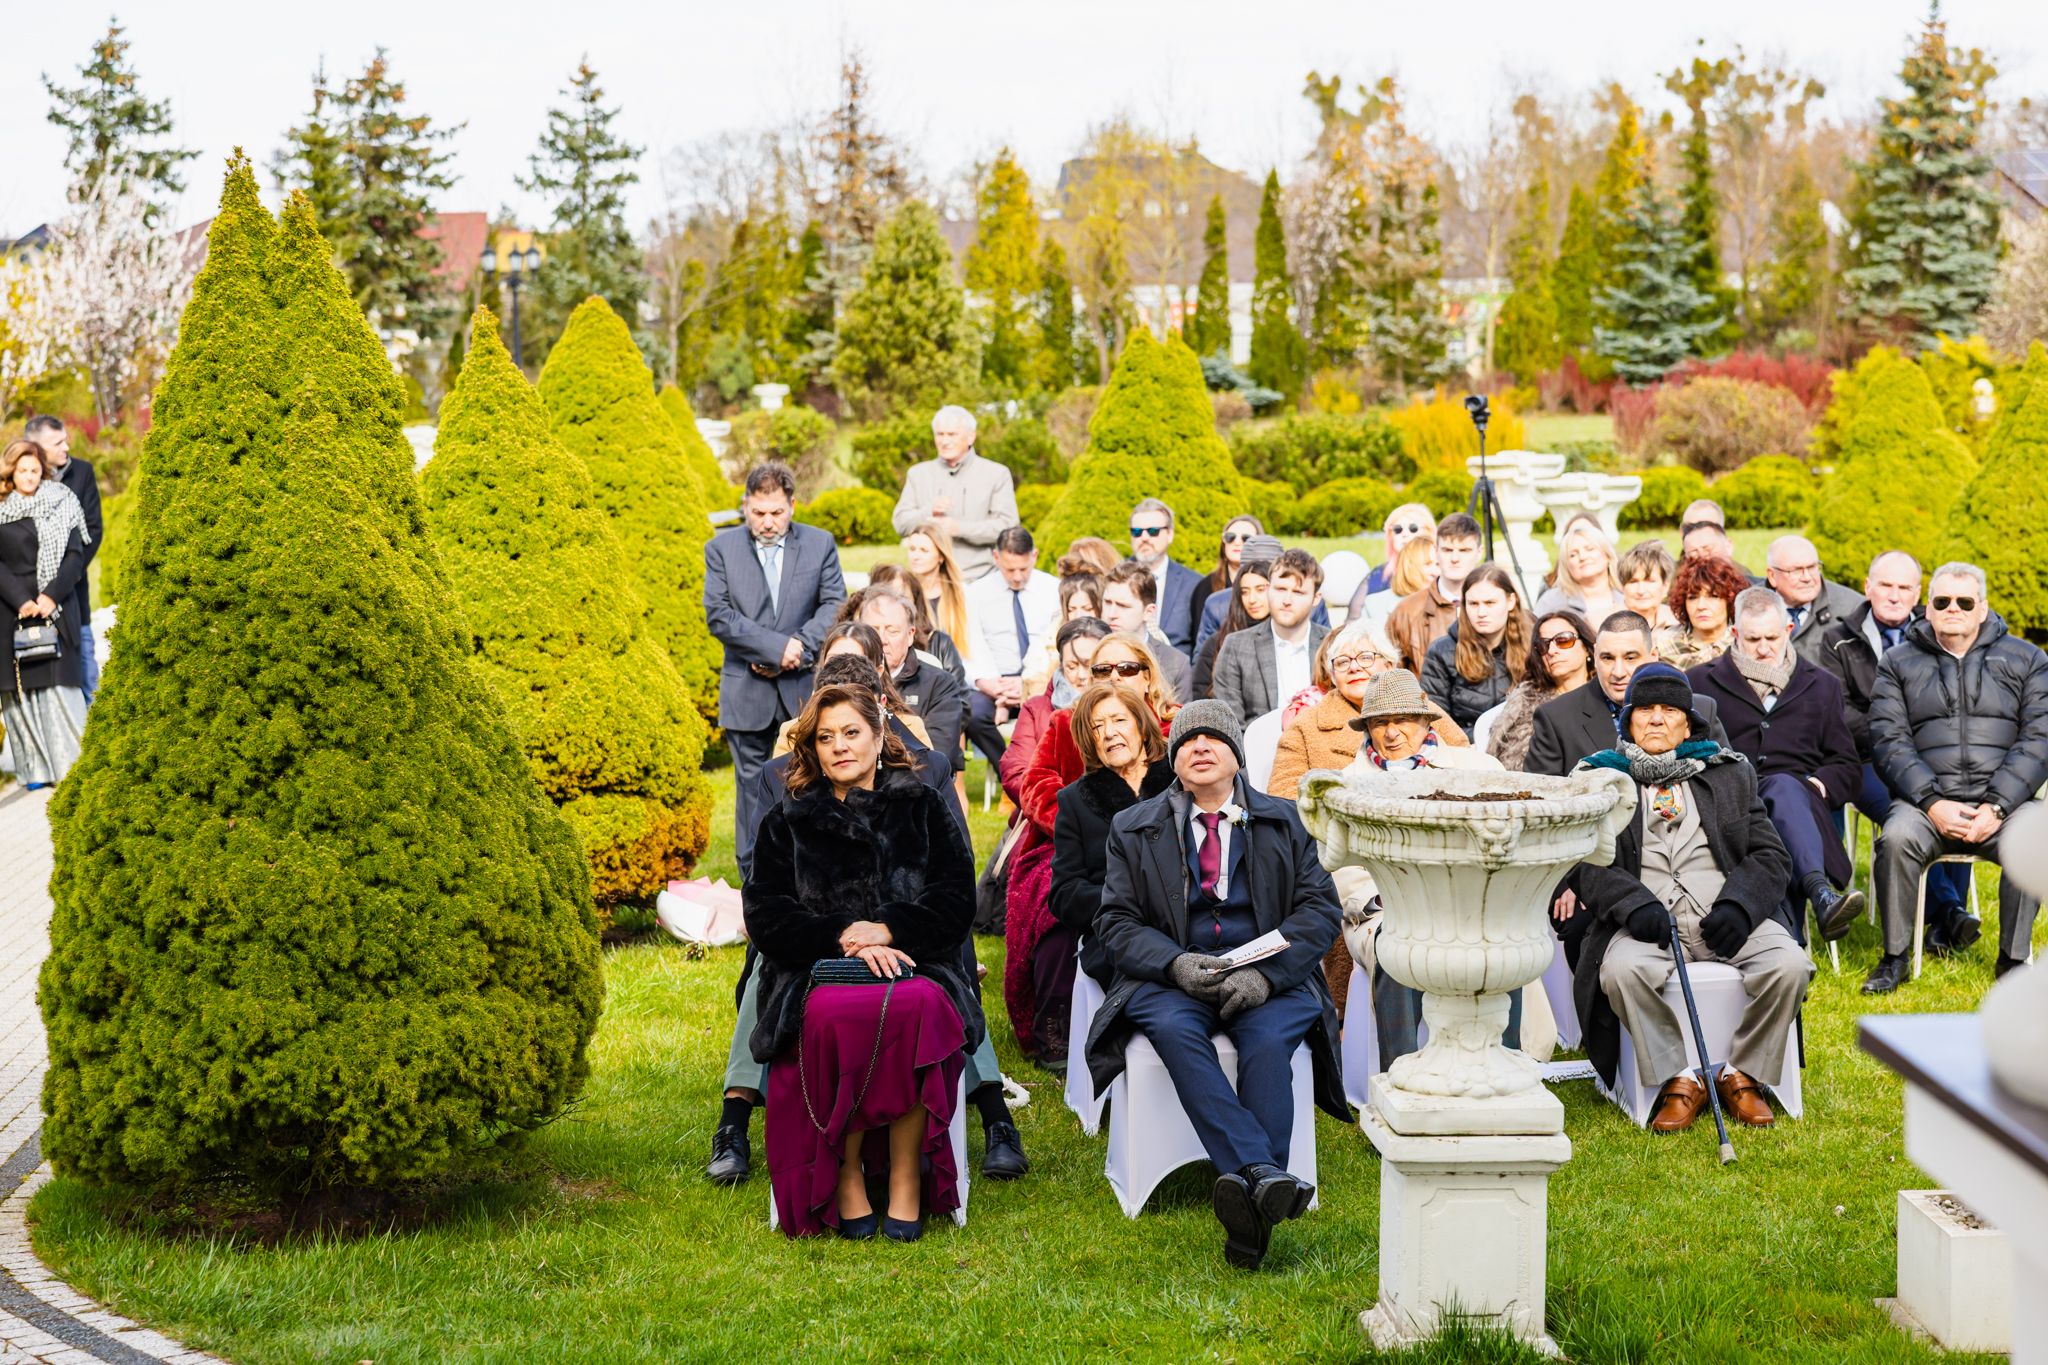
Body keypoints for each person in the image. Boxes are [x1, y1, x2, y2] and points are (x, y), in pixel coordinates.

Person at [714, 653, 1000, 1188]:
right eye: (825, 738)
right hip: (815, 971)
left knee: (920, 1003)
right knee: (826, 1013)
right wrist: (847, 936)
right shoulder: (789, 816)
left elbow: (957, 898)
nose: (839, 746)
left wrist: (889, 929)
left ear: (878, 734)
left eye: (851, 733)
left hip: (916, 964)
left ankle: (910, 1176)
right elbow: (767, 912)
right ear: (812, 748)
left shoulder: (922, 804)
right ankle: (842, 1173)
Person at [1084, 700, 1345, 1271]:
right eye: (1187, 741)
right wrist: (1175, 965)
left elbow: (1318, 912)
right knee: (1176, 1033)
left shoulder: (1287, 819)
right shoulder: (1134, 826)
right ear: (1174, 760)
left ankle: (1249, 1202)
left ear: (1237, 756)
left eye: (1213, 738)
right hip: (1172, 978)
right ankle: (1265, 1174)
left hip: (1268, 978)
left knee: (1270, 1041)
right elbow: (1115, 923)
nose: (1199, 747)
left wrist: (1266, 976)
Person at [1566, 664, 1811, 1132]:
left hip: (1723, 916)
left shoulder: (1726, 772)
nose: (1657, 719)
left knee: (1790, 965)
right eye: (1645, 710)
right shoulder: (1600, 779)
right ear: (1628, 719)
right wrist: (1634, 906)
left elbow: (1771, 854)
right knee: (1621, 971)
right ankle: (1678, 1079)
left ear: (1688, 722)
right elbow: (1585, 864)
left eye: (1669, 710)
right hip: (1646, 923)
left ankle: (1743, 1072)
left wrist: (1740, 906)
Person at [1337, 670, 1543, 1071]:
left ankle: (1509, 1064)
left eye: (1402, 720)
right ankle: (1399, 1073)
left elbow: (1512, 836)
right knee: (1398, 945)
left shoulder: (1477, 767)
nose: (1392, 732)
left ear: (1425, 720)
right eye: (1380, 723)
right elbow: (1343, 868)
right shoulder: (1347, 784)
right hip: (1384, 911)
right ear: (1367, 728)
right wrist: (1389, 902)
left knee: (1504, 939)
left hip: (1468, 903)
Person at [1865, 562, 2048, 992]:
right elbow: (1888, 740)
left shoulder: (2027, 658)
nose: (1953, 609)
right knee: (1894, 839)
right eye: (1942, 601)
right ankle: (1895, 958)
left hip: (2006, 806)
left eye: (1964, 602)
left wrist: (1999, 805)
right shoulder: (1897, 662)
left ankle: (2013, 960)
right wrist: (1931, 802)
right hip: (1925, 805)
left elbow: (2040, 739)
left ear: (1982, 608)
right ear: (1927, 609)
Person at [1006, 632, 1178, 1056]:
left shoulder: (1179, 770)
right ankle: (1062, 1030)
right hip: (1103, 902)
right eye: (1101, 669)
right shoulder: (1072, 758)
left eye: (1126, 668)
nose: (1109, 732)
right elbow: (1036, 781)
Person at [1687, 588, 1866, 942]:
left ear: (1788, 630)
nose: (1764, 648)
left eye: (1772, 637)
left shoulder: (1822, 685)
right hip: (1730, 804)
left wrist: (1820, 784)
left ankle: (1788, 942)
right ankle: (1820, 895)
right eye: (1753, 639)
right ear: (1735, 633)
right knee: (1774, 808)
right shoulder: (1699, 683)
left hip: (1801, 803)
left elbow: (1847, 763)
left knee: (1784, 790)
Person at [1818, 551, 1973, 943]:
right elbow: (1841, 713)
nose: (1893, 595)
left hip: (1933, 756)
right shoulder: (1837, 639)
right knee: (1914, 806)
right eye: (1885, 585)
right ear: (1868, 588)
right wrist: (1897, 737)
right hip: (1868, 760)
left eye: (1904, 588)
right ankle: (1950, 909)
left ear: (1918, 593)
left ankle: (1940, 920)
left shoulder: (1941, 634)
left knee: (1960, 796)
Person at [705, 462, 846, 867]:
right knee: (750, 790)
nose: (767, 522)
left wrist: (797, 648)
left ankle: (812, 872)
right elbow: (718, 613)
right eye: (758, 512)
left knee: (810, 781)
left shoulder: (820, 544)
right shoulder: (720, 549)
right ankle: (754, 885)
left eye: (777, 513)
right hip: (745, 690)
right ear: (745, 505)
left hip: (802, 685)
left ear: (793, 506)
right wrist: (773, 649)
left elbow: (834, 603)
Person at [1040, 681, 1175, 1058]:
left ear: (1141, 724)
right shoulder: (1075, 801)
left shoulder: (1180, 782)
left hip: (1189, 920)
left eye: (1118, 719)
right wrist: (1127, 901)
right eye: (1097, 727)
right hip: (1116, 933)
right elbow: (1064, 894)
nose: (1109, 732)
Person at [1525, 610, 1730, 779]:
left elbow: (1731, 784)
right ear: (1594, 656)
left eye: (1631, 658)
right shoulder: (1556, 719)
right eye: (1607, 658)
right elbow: (1542, 806)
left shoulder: (1700, 710)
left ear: (1653, 656)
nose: (1618, 672)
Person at [0, 440, 91, 786]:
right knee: (22, 695)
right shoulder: (0, 508)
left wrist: (51, 595)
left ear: (43, 471)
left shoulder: (62, 501)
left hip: (56, 606)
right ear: (11, 471)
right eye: (22, 470)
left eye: (35, 470)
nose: (28, 476)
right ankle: (35, 770)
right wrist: (21, 599)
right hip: (11, 611)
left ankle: (73, 765)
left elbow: (74, 556)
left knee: (60, 687)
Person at [962, 526, 1059, 767]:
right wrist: (988, 683)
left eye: (1023, 569)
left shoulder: (1053, 590)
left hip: (1041, 680)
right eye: (1009, 569)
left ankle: (1040, 770)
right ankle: (1008, 772)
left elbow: (1056, 644)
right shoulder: (976, 594)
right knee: (972, 713)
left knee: (1051, 716)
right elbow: (970, 643)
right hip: (996, 681)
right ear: (996, 558)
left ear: (1034, 556)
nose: (1017, 576)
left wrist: (1030, 682)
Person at [891, 405, 1019, 582]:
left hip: (978, 580)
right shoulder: (918, 474)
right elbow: (900, 523)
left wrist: (959, 528)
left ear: (970, 437)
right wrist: (928, 512)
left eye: (952, 434)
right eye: (940, 434)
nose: (945, 441)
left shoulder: (996, 474)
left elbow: (1008, 527)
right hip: (928, 583)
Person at [23, 417, 100, 707]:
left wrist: (58, 584)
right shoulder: (16, 481)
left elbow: (93, 532)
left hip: (73, 598)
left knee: (86, 679)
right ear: (37, 448)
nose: (66, 447)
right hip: (28, 606)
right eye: (58, 443)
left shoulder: (82, 473)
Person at [1000, 617, 1110, 807]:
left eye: (1090, 665)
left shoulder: (1127, 708)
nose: (1082, 676)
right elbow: (1016, 772)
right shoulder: (1037, 709)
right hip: (1048, 817)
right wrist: (1065, 813)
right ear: (1060, 665)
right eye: (1072, 666)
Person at [1212, 548, 1329, 725]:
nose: (1287, 600)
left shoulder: (1333, 646)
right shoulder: (1237, 646)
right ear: (1269, 590)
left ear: (1316, 598)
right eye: (1280, 589)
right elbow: (1230, 724)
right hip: (1255, 749)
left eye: (1298, 592)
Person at [860, 587, 969, 772]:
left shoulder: (939, 684)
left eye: (892, 631)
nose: (881, 640)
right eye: (873, 630)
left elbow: (936, 756)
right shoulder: (845, 678)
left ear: (910, 635)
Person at [1420, 562, 1531, 732]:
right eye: (1473, 604)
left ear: (1510, 601)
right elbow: (1435, 722)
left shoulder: (1533, 645)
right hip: (1466, 750)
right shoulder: (1442, 652)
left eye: (1490, 603)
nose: (1481, 613)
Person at [1486, 609, 1595, 771]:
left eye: (1563, 640)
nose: (1552, 651)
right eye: (1543, 645)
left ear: (1586, 647)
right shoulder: (1524, 707)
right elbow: (1514, 769)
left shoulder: (1608, 693)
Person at [1388, 512, 1482, 673]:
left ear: (1479, 553)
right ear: (1436, 551)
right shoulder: (1406, 612)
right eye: (1447, 549)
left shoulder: (1499, 605)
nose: (1455, 558)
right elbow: (1390, 680)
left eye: (1464, 550)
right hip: (1425, 697)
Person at [1765, 534, 1864, 669]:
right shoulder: (1748, 605)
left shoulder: (1852, 608)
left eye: (1812, 567)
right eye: (1796, 571)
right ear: (1772, 576)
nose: (1807, 578)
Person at [1100, 559, 1193, 700]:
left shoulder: (1175, 664)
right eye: (1107, 602)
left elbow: (1180, 720)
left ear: (1149, 612)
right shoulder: (1090, 653)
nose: (1111, 614)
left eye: (1123, 606)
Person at [1129, 497, 1203, 659]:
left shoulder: (1193, 584)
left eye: (1153, 531)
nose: (1145, 538)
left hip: (1176, 678)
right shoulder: (1114, 579)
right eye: (1137, 532)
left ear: (1170, 534)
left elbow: (1201, 646)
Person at [1193, 556, 1272, 701]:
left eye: (1260, 590)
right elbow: (1200, 695)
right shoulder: (1217, 642)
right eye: (1245, 592)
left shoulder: (1285, 638)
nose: (1252, 599)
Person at [1655, 554, 1746, 669]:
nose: (1701, 606)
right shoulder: (1663, 644)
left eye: (1713, 596)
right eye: (1693, 597)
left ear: (1730, 600)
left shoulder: (1744, 644)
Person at [1189, 515, 1263, 650]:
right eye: (1230, 537)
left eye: (1246, 538)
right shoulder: (1205, 587)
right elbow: (1199, 644)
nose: (1237, 542)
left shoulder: (1272, 585)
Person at [902, 520, 975, 658]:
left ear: (941, 556)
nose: (915, 556)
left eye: (924, 550)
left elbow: (972, 642)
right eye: (912, 549)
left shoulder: (959, 592)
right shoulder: (902, 592)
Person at [1534, 515, 1623, 624]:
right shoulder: (1551, 602)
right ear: (1566, 566)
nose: (1582, 557)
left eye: (1589, 549)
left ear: (1607, 555)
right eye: (1573, 555)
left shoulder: (1628, 596)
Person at [1348, 534, 1436, 634]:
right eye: (1428, 564)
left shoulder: (1453, 604)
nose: (1435, 572)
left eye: (1438, 564)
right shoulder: (1374, 606)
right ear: (1409, 566)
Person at [1359, 502, 1436, 599]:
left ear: (1429, 532)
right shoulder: (1378, 576)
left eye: (1413, 528)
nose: (1405, 534)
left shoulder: (1442, 572)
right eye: (1398, 529)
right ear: (1390, 536)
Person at [1618, 539, 1678, 633]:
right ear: (1622, 587)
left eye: (1650, 581)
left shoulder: (1679, 623)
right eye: (1633, 582)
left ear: (1665, 586)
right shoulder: (1599, 624)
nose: (1641, 591)